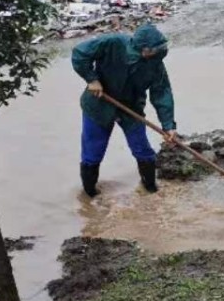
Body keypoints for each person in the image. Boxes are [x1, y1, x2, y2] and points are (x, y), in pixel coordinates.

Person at [72, 22, 177, 197]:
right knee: (93, 153)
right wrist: (91, 79)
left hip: (131, 108)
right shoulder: (112, 43)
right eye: (152, 50)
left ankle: (151, 191)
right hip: (99, 104)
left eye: (158, 50)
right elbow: (79, 53)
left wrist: (168, 126)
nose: (156, 53)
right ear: (142, 48)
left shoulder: (156, 63)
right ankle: (90, 196)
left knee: (142, 149)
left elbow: (161, 93)